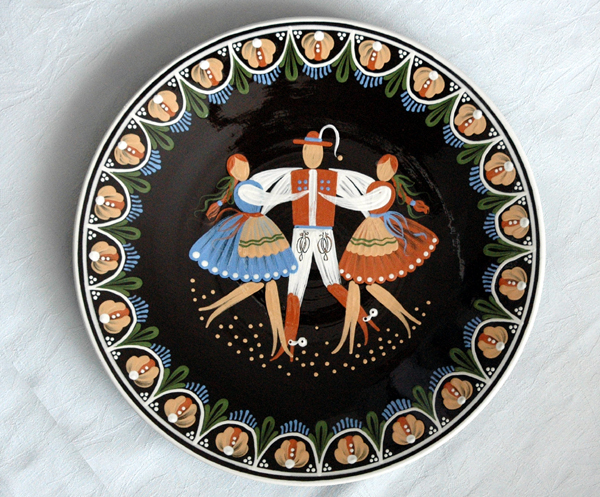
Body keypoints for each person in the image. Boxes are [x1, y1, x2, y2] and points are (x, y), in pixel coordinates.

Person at [249, 126, 393, 361]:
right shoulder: (293, 177)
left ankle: (364, 320)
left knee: (332, 281)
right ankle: (289, 339)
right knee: (295, 285)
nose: (312, 155)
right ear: (304, 152)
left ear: (322, 153)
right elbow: (271, 198)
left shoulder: (334, 177)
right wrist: (258, 215)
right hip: (301, 236)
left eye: (316, 151)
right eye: (308, 150)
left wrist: (372, 218)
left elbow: (356, 197)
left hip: (326, 235)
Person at [189, 154, 305, 357]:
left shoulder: (249, 183)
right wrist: (295, 194)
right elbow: (266, 199)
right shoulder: (243, 188)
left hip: (259, 226)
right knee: (265, 281)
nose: (245, 169)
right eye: (240, 167)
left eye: (245, 166)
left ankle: (218, 309)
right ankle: (218, 309)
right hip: (253, 231)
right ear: (233, 171)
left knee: (266, 282)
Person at [327, 154, 439, 353]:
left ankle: (401, 318)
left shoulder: (386, 189)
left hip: (377, 231)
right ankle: (353, 330)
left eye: (387, 169)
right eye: (380, 167)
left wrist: (330, 197)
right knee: (358, 279)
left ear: (392, 172)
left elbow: (362, 203)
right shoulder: (373, 184)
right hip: (368, 227)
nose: (382, 171)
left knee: (365, 277)